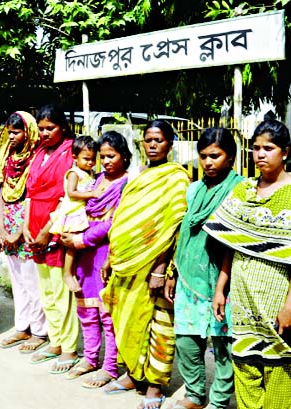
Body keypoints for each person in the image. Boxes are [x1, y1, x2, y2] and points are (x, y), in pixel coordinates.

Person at [203, 121, 291, 409]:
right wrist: (220, 288)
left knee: (278, 370)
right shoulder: (243, 191)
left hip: (277, 297)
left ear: (285, 152)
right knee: (246, 368)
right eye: (256, 148)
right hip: (242, 298)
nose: (261, 154)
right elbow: (232, 244)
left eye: (269, 148)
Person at [101, 120, 190, 408]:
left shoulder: (176, 179)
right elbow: (122, 219)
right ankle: (133, 374)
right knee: (126, 320)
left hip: (154, 265)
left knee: (158, 325)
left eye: (159, 140)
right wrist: (110, 257)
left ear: (170, 145)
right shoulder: (137, 176)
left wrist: (160, 268)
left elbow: (173, 226)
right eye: (148, 139)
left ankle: (155, 384)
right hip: (125, 263)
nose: (153, 145)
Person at [166, 127, 242, 409]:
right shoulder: (194, 190)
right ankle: (195, 395)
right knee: (186, 340)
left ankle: (219, 401)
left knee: (223, 344)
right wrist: (173, 272)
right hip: (189, 276)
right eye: (203, 156)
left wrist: (222, 286)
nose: (208, 162)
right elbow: (183, 234)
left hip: (224, 277)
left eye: (215, 156)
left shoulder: (239, 189)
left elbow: (232, 242)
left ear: (230, 157)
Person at [58, 131, 130, 387]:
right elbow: (78, 207)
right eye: (103, 156)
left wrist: (81, 239)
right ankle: (89, 358)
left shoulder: (127, 185)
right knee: (86, 310)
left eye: (112, 155)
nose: (107, 161)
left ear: (124, 156)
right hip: (83, 254)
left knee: (106, 314)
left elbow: (114, 222)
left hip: (104, 251)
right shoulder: (95, 179)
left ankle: (110, 366)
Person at [22, 104, 80, 373]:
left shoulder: (70, 153)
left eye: (50, 128)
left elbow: (67, 198)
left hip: (55, 227)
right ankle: (55, 341)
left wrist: (47, 231)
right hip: (34, 225)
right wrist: (26, 226)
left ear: (63, 128)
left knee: (60, 291)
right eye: (41, 129)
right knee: (45, 290)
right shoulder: (38, 153)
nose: (44, 133)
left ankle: (69, 347)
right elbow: (30, 193)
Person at [0, 111, 48, 352]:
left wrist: (20, 231)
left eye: (16, 132)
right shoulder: (9, 159)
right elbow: (3, 195)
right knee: (17, 280)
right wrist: (1, 229)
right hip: (9, 227)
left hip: (28, 226)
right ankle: (22, 327)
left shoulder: (36, 159)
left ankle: (40, 331)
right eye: (9, 132)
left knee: (33, 280)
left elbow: (33, 197)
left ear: (28, 132)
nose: (11, 136)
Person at [50, 135, 98, 293]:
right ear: (75, 158)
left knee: (78, 246)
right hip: (73, 210)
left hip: (81, 211)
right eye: (86, 159)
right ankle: (68, 274)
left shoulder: (89, 172)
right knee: (72, 246)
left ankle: (74, 272)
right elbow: (71, 193)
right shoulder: (74, 173)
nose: (90, 163)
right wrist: (93, 194)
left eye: (93, 159)